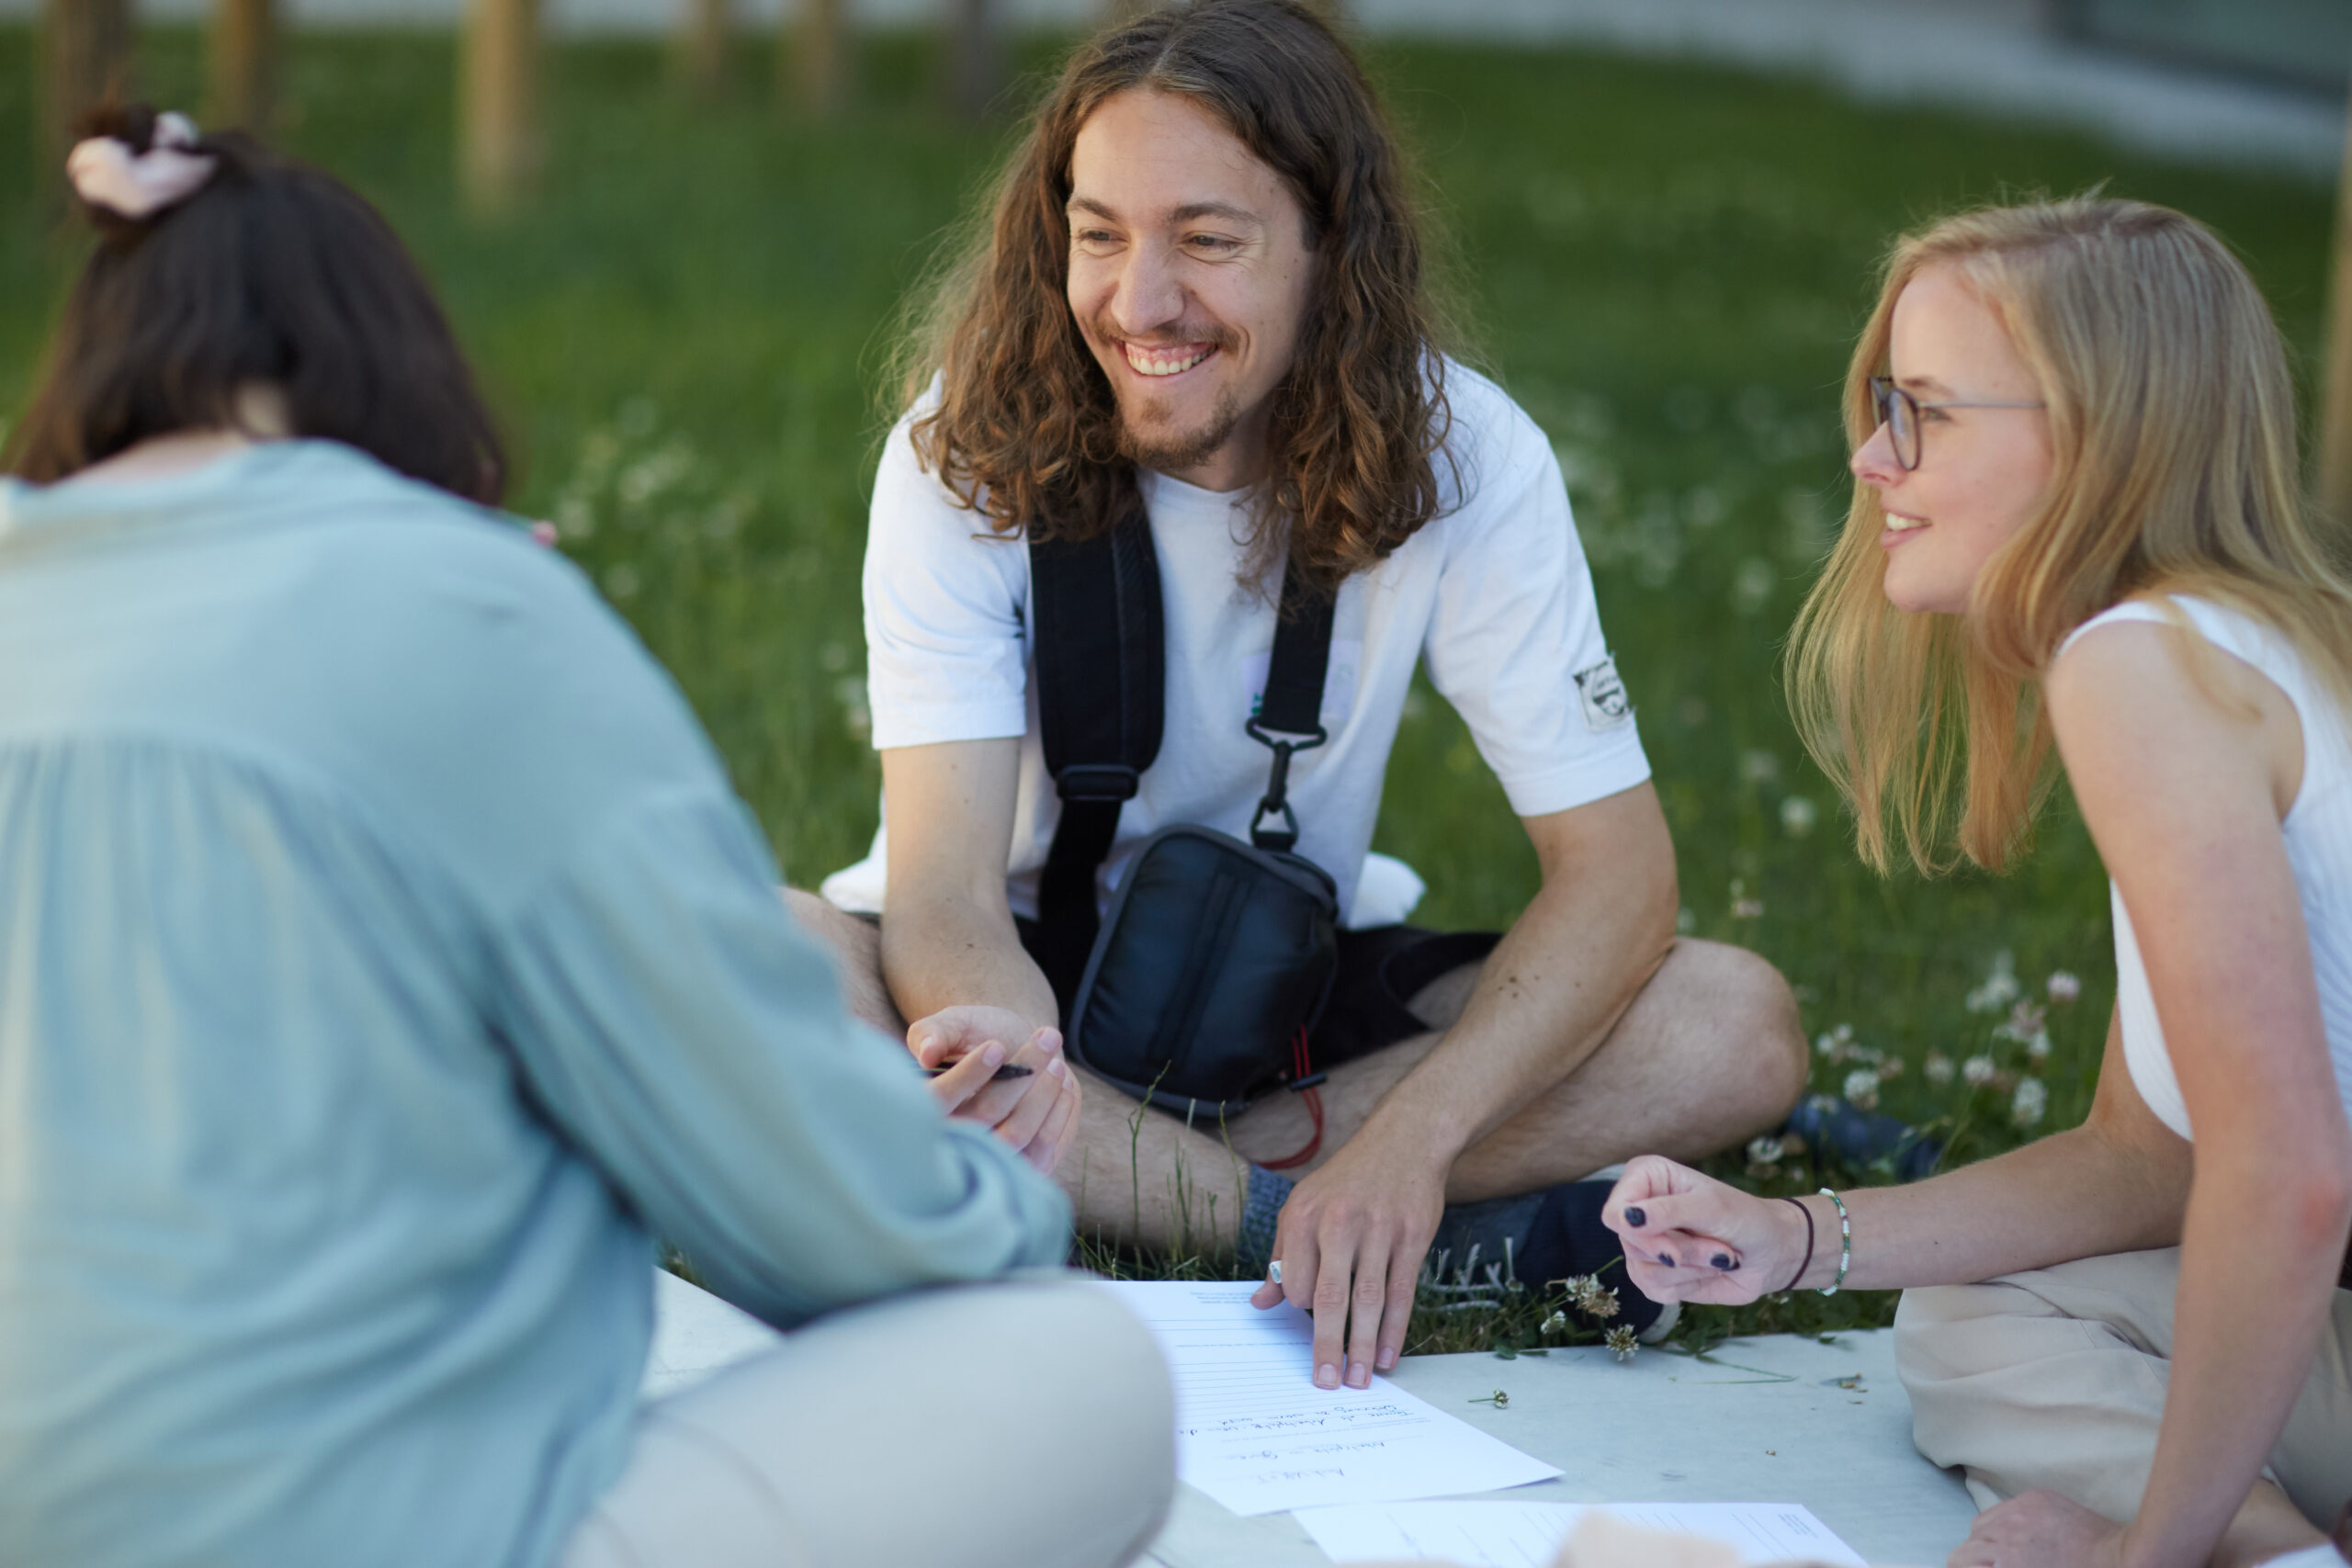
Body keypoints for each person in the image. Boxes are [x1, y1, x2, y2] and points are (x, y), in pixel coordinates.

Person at [0, 107, 1172, 1568]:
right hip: (343, 1525)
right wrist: (995, 1195)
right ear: (392, 388)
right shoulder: (464, 607)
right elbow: (817, 1211)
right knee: (1087, 1376)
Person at [788, 0, 1809, 1394]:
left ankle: (1180, 1196)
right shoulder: (961, 447)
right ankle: (1341, 1232)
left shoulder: (1469, 458)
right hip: (1002, 989)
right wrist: (1015, 1074)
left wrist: (1416, 1132)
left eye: (1207, 241)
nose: (1138, 304)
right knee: (757, 966)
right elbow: (947, 893)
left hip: (1291, 1016)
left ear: (1332, 248)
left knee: (1732, 1022)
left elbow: (1620, 881)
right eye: (1098, 235)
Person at [1602, 197, 2352, 1568]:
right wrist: (1789, 1235)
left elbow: (2290, 1177)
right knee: (1966, 1318)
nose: (1869, 455)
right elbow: (2148, 1165)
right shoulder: (2238, 649)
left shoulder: (2136, 670)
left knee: (1985, 1346)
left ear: (2094, 436)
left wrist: (2141, 1554)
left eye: (1926, 412)